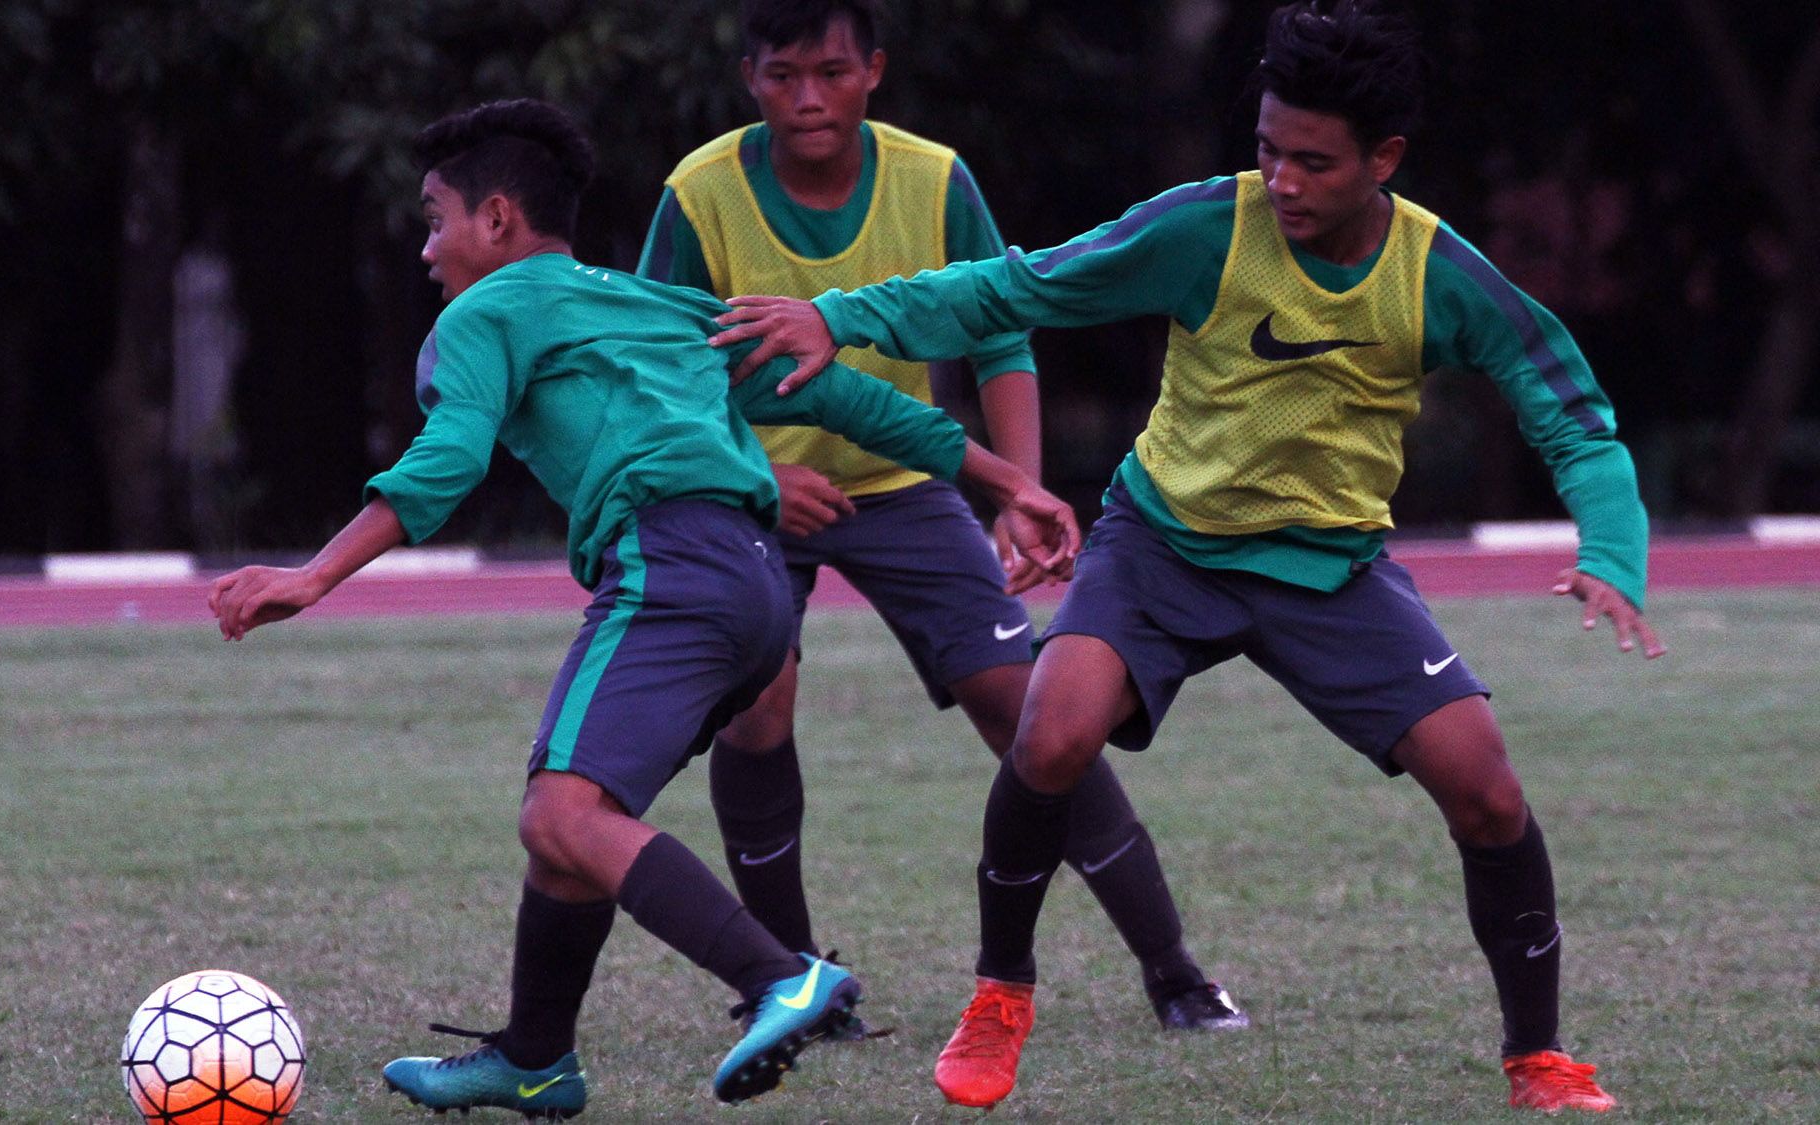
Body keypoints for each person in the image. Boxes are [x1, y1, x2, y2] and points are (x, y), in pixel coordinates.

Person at [710, 1, 1665, 1113]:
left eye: (1313, 162)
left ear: (1383, 160)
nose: (1283, 181)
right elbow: (1017, 286)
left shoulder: (1437, 274)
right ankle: (1000, 994)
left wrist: (1613, 551)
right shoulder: (1204, 227)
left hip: (1328, 570)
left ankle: (1536, 1061)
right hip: (1161, 546)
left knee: (1488, 794)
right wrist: (841, 315)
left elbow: (1572, 420)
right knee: (1050, 731)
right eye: (1267, 150)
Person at [208, 97, 1079, 1119]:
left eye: (435, 219)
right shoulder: (652, 306)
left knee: (561, 811)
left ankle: (778, 978)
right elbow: (842, 396)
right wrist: (1003, 482)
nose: (427, 250)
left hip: (671, 566)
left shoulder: (480, 316)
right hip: (759, 581)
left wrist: (311, 576)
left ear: (495, 221)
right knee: (572, 830)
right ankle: (533, 1058)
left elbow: (445, 461)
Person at [638, 0, 1247, 1043]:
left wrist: (1015, 491)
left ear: (872, 70)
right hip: (751, 489)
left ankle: (1176, 975)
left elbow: (1001, 336)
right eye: (783, 75)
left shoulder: (933, 176)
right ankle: (788, 987)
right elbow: (653, 372)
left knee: (1032, 704)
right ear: (749, 79)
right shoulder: (698, 193)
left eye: (831, 71)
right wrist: (755, 473)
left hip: (908, 482)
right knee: (757, 703)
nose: (809, 97)